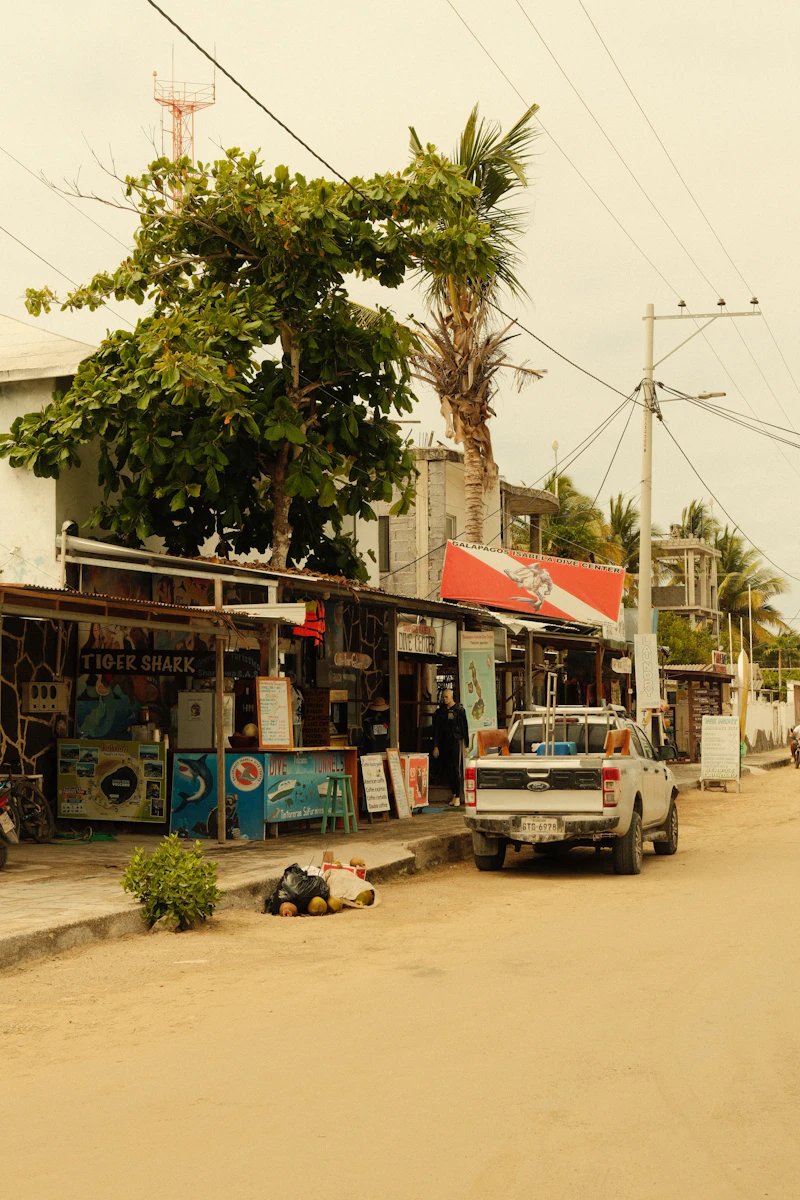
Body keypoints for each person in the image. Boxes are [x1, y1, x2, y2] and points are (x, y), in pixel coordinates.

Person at [432, 688, 469, 806]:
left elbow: (465, 728)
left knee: (455, 768)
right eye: (443, 697)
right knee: (448, 769)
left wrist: (466, 745)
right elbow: (436, 729)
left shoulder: (459, 710)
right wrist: (436, 746)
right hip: (444, 742)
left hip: (455, 741)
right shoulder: (441, 712)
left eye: (446, 697)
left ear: (452, 697)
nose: (444, 699)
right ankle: (453, 794)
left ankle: (458, 795)